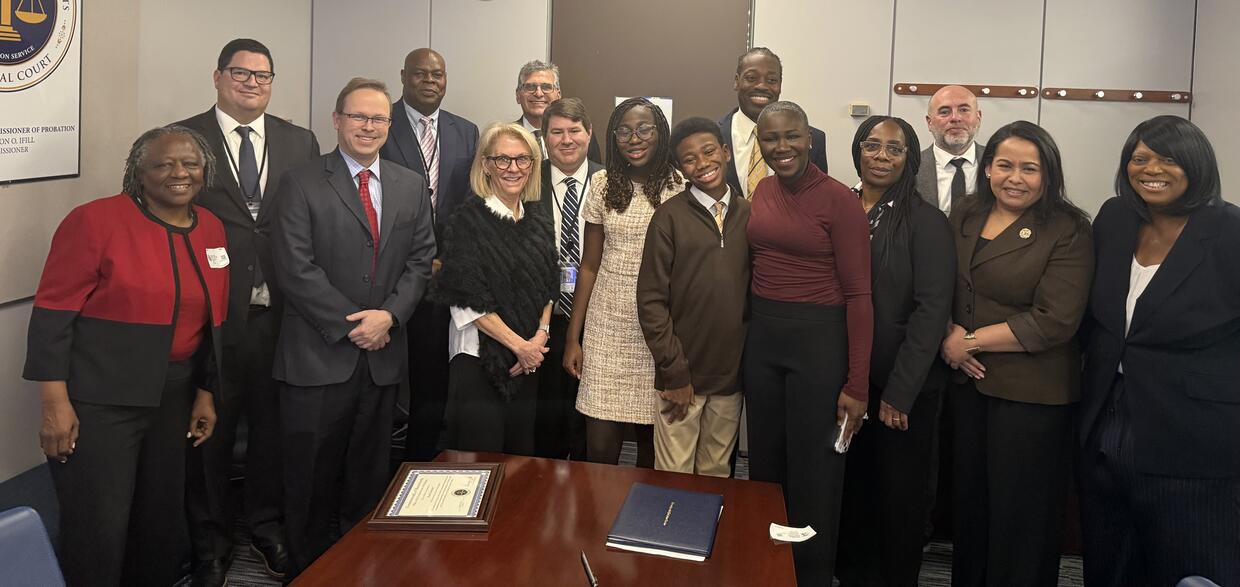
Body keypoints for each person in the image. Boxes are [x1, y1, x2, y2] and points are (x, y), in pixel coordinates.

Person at [24, 125, 227, 587]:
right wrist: (54, 404)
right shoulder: (95, 221)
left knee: (158, 523)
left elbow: (213, 322)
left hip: (173, 395)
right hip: (101, 400)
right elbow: (53, 314)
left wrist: (204, 393)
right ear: (138, 172)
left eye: (190, 163)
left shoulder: (211, 227)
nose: (179, 172)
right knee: (99, 527)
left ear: (204, 170)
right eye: (163, 164)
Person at [270, 78, 436, 578]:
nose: (369, 127)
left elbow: (421, 259)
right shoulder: (300, 182)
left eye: (379, 118)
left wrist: (389, 316)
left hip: (382, 356)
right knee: (310, 479)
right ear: (337, 120)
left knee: (368, 475)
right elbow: (294, 267)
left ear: (390, 124)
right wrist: (352, 325)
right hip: (318, 356)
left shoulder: (409, 183)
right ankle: (309, 571)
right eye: (359, 117)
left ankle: (360, 567)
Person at [176, 37, 320, 585]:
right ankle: (210, 543)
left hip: (281, 314)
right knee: (208, 432)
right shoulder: (185, 138)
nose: (252, 83)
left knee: (272, 426)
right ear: (217, 77)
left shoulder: (298, 140)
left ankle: (264, 523)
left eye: (263, 75)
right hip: (210, 318)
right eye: (241, 73)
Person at [1079, 115, 1240, 586]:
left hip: (1193, 438)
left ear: (1196, 165)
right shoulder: (1114, 218)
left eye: (1169, 158)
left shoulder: (1230, 232)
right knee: (1109, 564)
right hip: (1106, 421)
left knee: (1188, 569)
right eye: (1140, 157)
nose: (1152, 168)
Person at [939, 120, 1092, 587]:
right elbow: (937, 283)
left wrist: (967, 342)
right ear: (987, 168)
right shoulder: (964, 213)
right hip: (967, 387)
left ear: (1048, 176)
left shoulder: (1069, 228)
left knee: (1021, 519)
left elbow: (1055, 320)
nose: (1015, 177)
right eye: (1004, 165)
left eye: (1030, 168)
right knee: (971, 508)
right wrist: (947, 330)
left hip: (1031, 395)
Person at [743, 100, 871, 586]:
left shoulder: (839, 200)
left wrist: (857, 383)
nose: (782, 147)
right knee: (767, 467)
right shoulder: (762, 190)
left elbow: (860, 297)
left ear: (810, 138)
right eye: (770, 138)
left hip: (819, 345)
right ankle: (768, 566)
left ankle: (810, 574)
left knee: (815, 472)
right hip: (765, 343)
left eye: (791, 136)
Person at [835, 116, 955, 586]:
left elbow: (930, 312)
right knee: (853, 489)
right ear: (857, 151)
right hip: (845, 380)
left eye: (895, 149)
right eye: (872, 146)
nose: (881, 156)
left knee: (899, 496)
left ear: (909, 159)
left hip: (900, 388)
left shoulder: (927, 221)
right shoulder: (841, 208)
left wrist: (900, 392)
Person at [563, 97, 682, 467]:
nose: (634, 138)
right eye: (625, 131)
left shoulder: (678, 186)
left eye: (644, 128)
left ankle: (641, 524)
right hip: (607, 326)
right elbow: (589, 266)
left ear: (660, 132)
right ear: (613, 137)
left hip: (659, 328)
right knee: (600, 447)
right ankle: (596, 524)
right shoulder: (601, 183)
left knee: (652, 449)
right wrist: (573, 337)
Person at [378, 47, 480, 462]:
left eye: (437, 74)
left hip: (444, 275)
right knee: (382, 371)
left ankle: (419, 458)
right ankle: (376, 460)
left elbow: (470, 201)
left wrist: (449, 257)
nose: (430, 81)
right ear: (403, 76)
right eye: (420, 74)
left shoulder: (466, 131)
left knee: (432, 373)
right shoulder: (383, 124)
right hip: (388, 269)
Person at [431, 123, 557, 455]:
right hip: (478, 362)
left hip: (526, 362)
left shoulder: (538, 218)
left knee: (519, 461)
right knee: (477, 461)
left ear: (533, 165)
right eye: (502, 159)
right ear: (486, 165)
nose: (513, 168)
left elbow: (548, 283)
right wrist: (520, 346)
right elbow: (464, 298)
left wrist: (540, 337)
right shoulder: (468, 221)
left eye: (522, 159)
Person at [637, 117, 750, 477]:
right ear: (680, 168)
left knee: (717, 472)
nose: (702, 164)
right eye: (689, 159)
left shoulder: (750, 215)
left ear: (726, 153)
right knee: (674, 475)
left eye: (709, 152)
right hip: (681, 377)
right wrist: (675, 374)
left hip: (729, 378)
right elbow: (651, 302)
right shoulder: (668, 218)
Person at [529, 98, 603, 460]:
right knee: (546, 423)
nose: (566, 139)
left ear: (589, 133)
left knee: (591, 424)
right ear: (544, 138)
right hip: (540, 320)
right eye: (556, 132)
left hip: (598, 320)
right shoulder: (526, 179)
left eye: (574, 130)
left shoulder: (610, 182)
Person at [718, 48, 828, 199]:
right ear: (737, 81)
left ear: (780, 85)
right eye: (751, 78)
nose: (762, 86)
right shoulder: (714, 138)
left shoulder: (814, 139)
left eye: (771, 80)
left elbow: (819, 201)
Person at [915, 85, 985, 215]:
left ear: (978, 117)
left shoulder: (996, 163)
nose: (955, 118)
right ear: (929, 122)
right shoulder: (911, 168)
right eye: (944, 112)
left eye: (964, 110)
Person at [514, 60, 601, 162]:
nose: (538, 93)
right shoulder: (507, 136)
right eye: (530, 87)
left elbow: (594, 174)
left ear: (558, 95)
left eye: (546, 87)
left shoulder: (580, 134)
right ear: (518, 96)